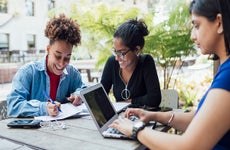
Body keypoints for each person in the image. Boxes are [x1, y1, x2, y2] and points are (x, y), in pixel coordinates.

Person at [109, 0, 230, 149]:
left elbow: (188, 146)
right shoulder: (225, 70)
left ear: (219, 22)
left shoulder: (228, 77)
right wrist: (153, 115)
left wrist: (135, 130)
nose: (193, 35)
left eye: (197, 26)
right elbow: (199, 117)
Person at [7, 14, 85, 117]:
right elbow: (13, 106)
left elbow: (84, 89)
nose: (62, 63)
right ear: (48, 50)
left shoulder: (72, 74)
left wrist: (79, 95)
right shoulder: (28, 73)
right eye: (57, 56)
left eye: (67, 58)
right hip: (31, 131)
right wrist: (43, 108)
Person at [100, 18, 161, 109]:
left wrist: (130, 102)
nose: (117, 58)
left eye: (122, 53)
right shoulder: (112, 63)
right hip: (121, 117)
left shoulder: (146, 62)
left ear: (137, 49)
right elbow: (101, 94)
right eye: (115, 52)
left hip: (144, 116)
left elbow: (154, 98)